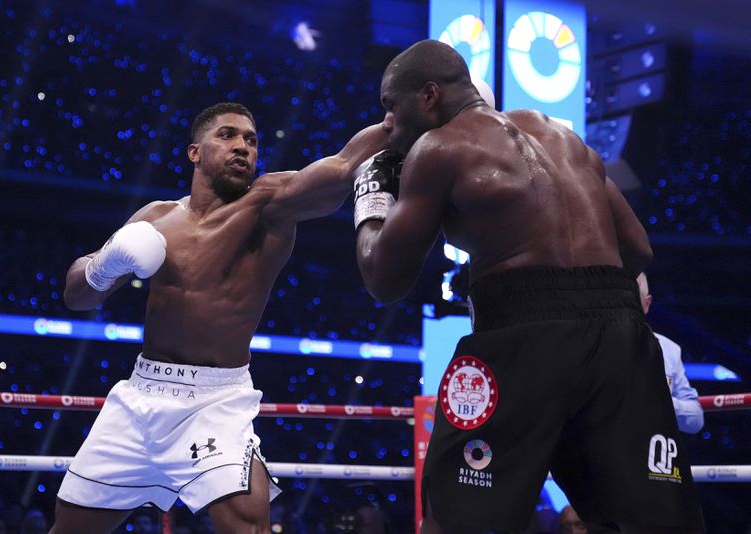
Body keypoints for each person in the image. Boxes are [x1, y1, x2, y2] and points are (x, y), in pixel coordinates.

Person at [353, 40, 704, 533]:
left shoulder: (439, 148)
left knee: (456, 515)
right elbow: (638, 252)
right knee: (647, 517)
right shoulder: (562, 137)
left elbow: (383, 280)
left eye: (391, 106)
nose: (388, 123)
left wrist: (371, 196)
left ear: (429, 95)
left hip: (521, 334)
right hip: (622, 336)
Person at [53, 101, 387, 534]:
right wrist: (106, 263)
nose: (243, 147)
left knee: (248, 522)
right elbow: (76, 297)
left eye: (251, 140)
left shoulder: (268, 204)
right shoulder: (154, 218)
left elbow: (343, 167)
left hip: (215, 399)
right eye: (228, 135)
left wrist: (407, 117)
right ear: (195, 152)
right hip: (140, 394)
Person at [637, 273, 704, 434]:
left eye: (632, 300)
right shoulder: (594, 345)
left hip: (654, 452)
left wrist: (659, 400)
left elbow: (695, 418)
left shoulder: (669, 350)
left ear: (646, 304)